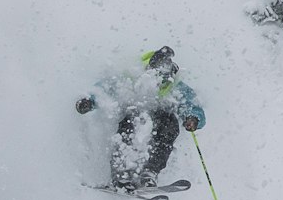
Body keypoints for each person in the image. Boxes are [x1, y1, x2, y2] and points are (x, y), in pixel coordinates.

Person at [76, 46, 207, 191]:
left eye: (164, 77)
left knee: (170, 124)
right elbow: (106, 88)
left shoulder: (175, 84)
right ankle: (121, 172)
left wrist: (193, 118)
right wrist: (90, 101)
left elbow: (191, 104)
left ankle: (150, 172)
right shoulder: (133, 75)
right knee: (130, 125)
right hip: (133, 112)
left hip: (160, 116)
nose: (159, 82)